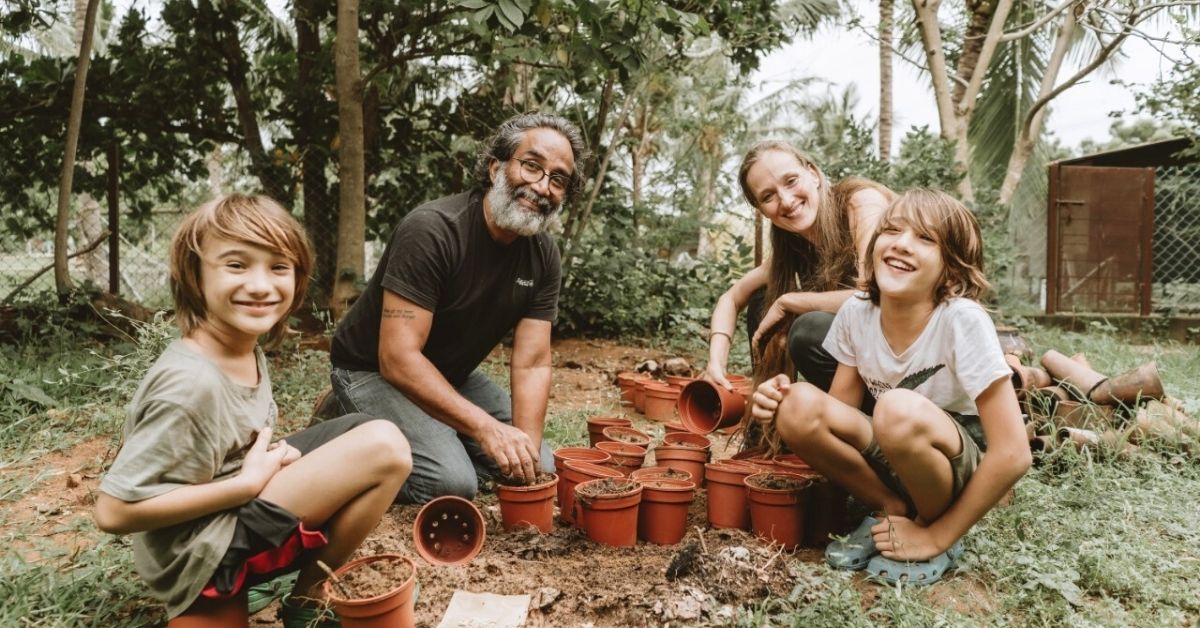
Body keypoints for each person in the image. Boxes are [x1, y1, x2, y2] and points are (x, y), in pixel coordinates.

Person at [94, 195, 412, 626]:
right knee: (384, 445)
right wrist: (245, 486)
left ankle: (306, 596)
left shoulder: (242, 347)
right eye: (237, 265)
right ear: (195, 275)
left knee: (363, 431)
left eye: (278, 267)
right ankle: (245, 579)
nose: (261, 285)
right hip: (197, 548)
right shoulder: (192, 383)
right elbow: (113, 512)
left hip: (229, 502)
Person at [750, 189, 1031, 584]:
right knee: (797, 405)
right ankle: (891, 509)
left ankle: (929, 526)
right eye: (892, 230)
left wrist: (937, 535)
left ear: (950, 270)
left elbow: (1013, 453)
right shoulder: (857, 311)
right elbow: (839, 415)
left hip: (958, 459)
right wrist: (778, 401)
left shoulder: (961, 321)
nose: (901, 244)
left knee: (896, 408)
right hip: (897, 444)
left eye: (925, 238)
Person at [329, 112, 589, 504]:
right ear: (495, 167)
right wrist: (485, 428)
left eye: (558, 180)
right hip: (371, 369)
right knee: (450, 484)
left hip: (449, 374)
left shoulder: (543, 256)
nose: (542, 187)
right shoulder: (432, 230)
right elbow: (397, 357)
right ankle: (342, 417)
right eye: (532, 166)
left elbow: (533, 362)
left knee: (541, 467)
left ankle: (434, 429)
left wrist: (526, 454)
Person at [706, 141, 894, 401]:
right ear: (762, 211)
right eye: (768, 196)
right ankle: (767, 425)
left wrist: (790, 302)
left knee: (808, 327)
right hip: (857, 364)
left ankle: (860, 423)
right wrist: (716, 363)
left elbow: (878, 296)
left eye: (791, 181)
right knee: (762, 299)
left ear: (814, 175)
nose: (785, 200)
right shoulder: (793, 245)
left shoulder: (861, 203)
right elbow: (731, 297)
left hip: (910, 360)